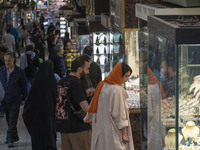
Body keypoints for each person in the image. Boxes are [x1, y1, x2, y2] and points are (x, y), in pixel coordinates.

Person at [85, 62, 134, 150]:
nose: (126, 79)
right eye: (126, 76)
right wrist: (125, 133)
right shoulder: (116, 90)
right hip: (113, 130)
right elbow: (120, 113)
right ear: (119, 74)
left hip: (102, 128)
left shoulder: (102, 85)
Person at [57, 54, 91, 150]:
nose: (88, 72)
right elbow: (85, 107)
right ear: (79, 69)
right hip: (78, 128)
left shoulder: (62, 81)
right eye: (87, 69)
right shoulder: (76, 82)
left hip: (64, 128)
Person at [23, 60, 57, 150]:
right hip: (48, 119)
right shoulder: (52, 81)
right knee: (49, 139)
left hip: (36, 121)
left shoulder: (35, 84)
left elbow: (27, 110)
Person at [0, 52, 27, 147]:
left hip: (15, 99)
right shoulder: (1, 70)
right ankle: (14, 136)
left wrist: (24, 98)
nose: (7, 62)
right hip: (4, 100)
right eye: (6, 61)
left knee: (12, 120)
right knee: (8, 119)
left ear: (13, 60)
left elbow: (24, 86)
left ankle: (10, 139)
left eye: (9, 61)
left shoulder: (19, 72)